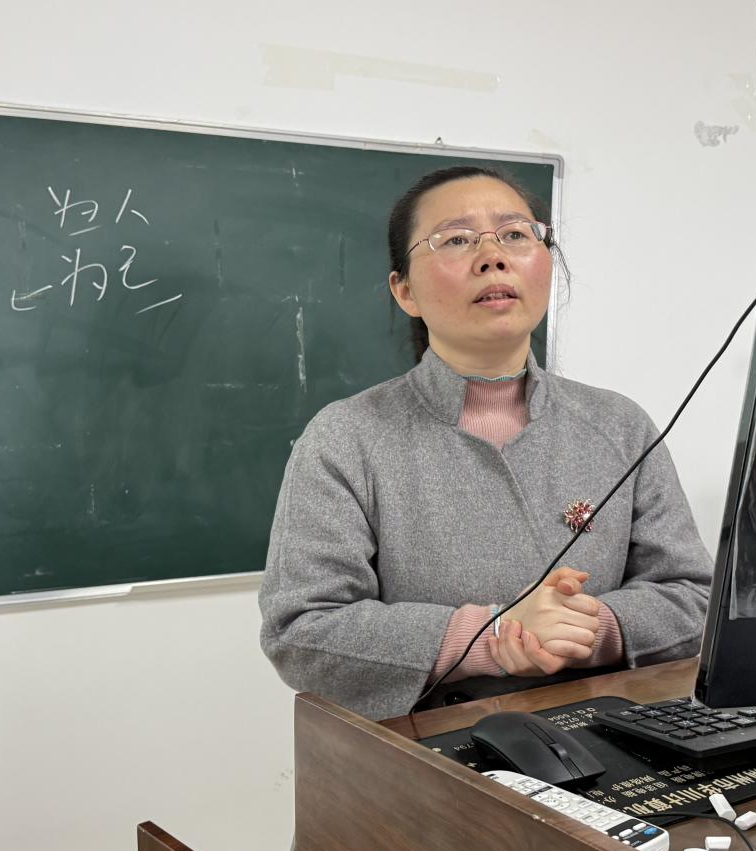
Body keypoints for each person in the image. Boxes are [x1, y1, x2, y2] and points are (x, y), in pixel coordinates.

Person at [259, 165, 712, 723]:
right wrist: (492, 634)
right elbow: (301, 631)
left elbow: (695, 596)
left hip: (615, 733)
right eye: (456, 240)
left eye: (516, 234)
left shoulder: (619, 424)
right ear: (405, 291)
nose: (493, 256)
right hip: (429, 750)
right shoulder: (346, 437)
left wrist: (594, 628)